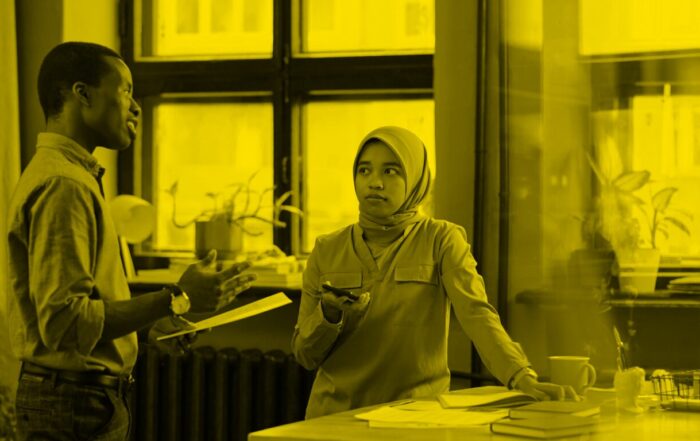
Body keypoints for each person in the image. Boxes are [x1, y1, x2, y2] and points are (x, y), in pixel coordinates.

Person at [6, 42, 256, 440]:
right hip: (73, 405)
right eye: (124, 90)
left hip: (82, 401)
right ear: (82, 94)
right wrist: (174, 296)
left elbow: (84, 311)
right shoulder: (63, 185)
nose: (136, 107)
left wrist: (149, 325)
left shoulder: (73, 175)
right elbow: (64, 324)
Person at [292, 126, 575, 419]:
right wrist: (328, 315)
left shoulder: (441, 239)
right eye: (364, 171)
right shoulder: (326, 249)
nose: (374, 183)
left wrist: (522, 376)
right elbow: (305, 355)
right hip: (335, 417)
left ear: (415, 179)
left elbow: (477, 315)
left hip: (416, 415)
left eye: (391, 172)